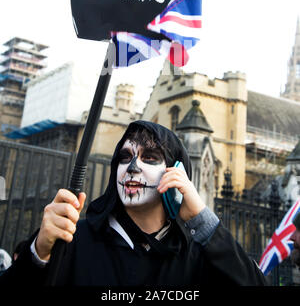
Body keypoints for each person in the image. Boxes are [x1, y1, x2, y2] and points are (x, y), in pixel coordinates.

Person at [0, 120, 267, 287]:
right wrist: (38, 254)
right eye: (125, 157)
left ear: (177, 171)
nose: (133, 168)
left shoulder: (195, 254)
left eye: (150, 157)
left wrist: (203, 221)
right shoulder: (74, 241)